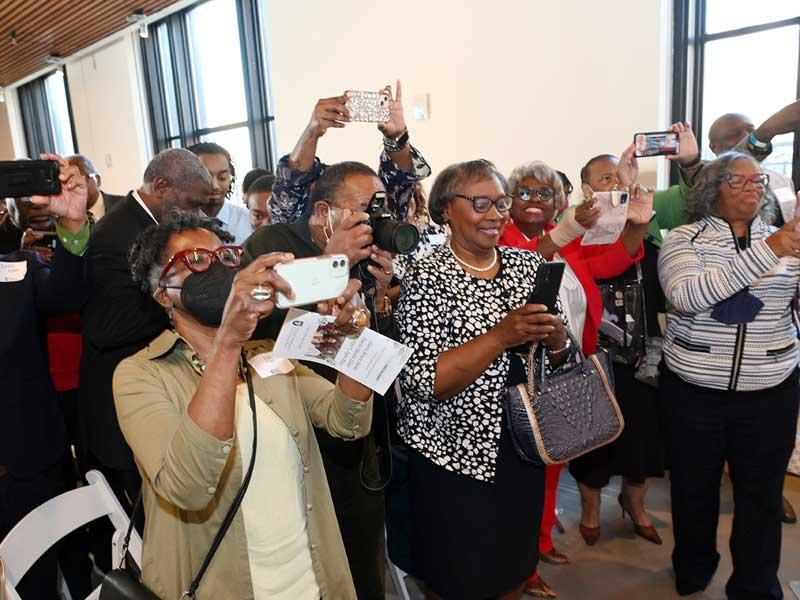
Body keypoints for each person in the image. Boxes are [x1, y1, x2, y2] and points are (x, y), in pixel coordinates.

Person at [116, 211, 373, 598]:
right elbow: (188, 486)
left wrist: (353, 341)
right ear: (162, 293)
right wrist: (228, 343)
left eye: (225, 258)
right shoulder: (140, 376)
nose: (216, 269)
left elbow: (346, 421)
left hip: (308, 578)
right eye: (196, 261)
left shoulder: (267, 354)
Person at [396, 159, 570, 600]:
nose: (495, 214)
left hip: (521, 447)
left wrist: (556, 339)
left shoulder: (527, 267)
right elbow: (425, 380)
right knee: (458, 576)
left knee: (514, 567)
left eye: (500, 202)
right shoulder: (425, 277)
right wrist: (500, 336)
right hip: (453, 457)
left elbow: (564, 355)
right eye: (480, 203)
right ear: (445, 209)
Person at [243, 161, 395, 600]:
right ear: (323, 211)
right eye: (366, 209)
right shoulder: (273, 244)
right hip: (296, 421)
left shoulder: (370, 256)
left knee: (362, 560)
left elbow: (377, 343)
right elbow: (259, 325)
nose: (376, 220)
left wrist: (383, 298)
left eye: (380, 207)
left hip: (356, 423)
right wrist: (332, 264)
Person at [499, 158, 649, 597]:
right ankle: (519, 566)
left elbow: (614, 260)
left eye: (543, 194)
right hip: (514, 377)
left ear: (558, 200)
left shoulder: (572, 245)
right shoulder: (502, 238)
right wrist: (563, 232)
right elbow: (517, 268)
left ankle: (539, 545)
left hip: (564, 372)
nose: (532, 201)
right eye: (523, 192)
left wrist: (637, 223)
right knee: (521, 475)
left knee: (551, 463)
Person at [658, 151, 800, 598]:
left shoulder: (787, 239)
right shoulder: (683, 239)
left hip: (770, 388)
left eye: (758, 179)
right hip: (694, 389)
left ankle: (756, 586)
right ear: (712, 188)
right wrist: (768, 251)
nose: (753, 186)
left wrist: (782, 246)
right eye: (739, 180)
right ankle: (694, 566)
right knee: (692, 488)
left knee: (760, 495)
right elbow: (689, 295)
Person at [79, 148, 211, 522]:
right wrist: (183, 305)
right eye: (192, 204)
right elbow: (107, 327)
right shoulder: (113, 236)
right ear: (161, 185)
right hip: (123, 399)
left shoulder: (155, 226)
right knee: (150, 521)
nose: (197, 215)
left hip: (164, 385)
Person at [560, 147, 667, 550]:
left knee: (641, 444)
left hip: (641, 360)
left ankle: (635, 506)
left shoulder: (646, 230)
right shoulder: (576, 236)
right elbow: (606, 263)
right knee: (594, 446)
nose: (616, 185)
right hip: (593, 361)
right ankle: (589, 513)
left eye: (619, 179)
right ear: (586, 189)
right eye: (605, 179)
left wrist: (632, 204)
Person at [0, 153, 90, 598]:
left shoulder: (16, 270)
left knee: (47, 576)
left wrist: (72, 222)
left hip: (31, 463)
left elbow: (70, 292)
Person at [268, 81, 431, 225]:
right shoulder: (296, 234)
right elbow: (291, 185)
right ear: (322, 211)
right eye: (356, 208)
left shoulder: (378, 228)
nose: (363, 216)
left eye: (369, 207)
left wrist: (397, 136)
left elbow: (398, 182)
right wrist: (313, 130)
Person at [188, 142, 252, 244]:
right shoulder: (181, 225)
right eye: (206, 177)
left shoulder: (248, 222)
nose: (215, 185)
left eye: (222, 177)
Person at [66, 154, 126, 223]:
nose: (76, 184)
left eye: (83, 177)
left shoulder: (126, 206)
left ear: (98, 180)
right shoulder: (60, 223)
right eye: (68, 181)